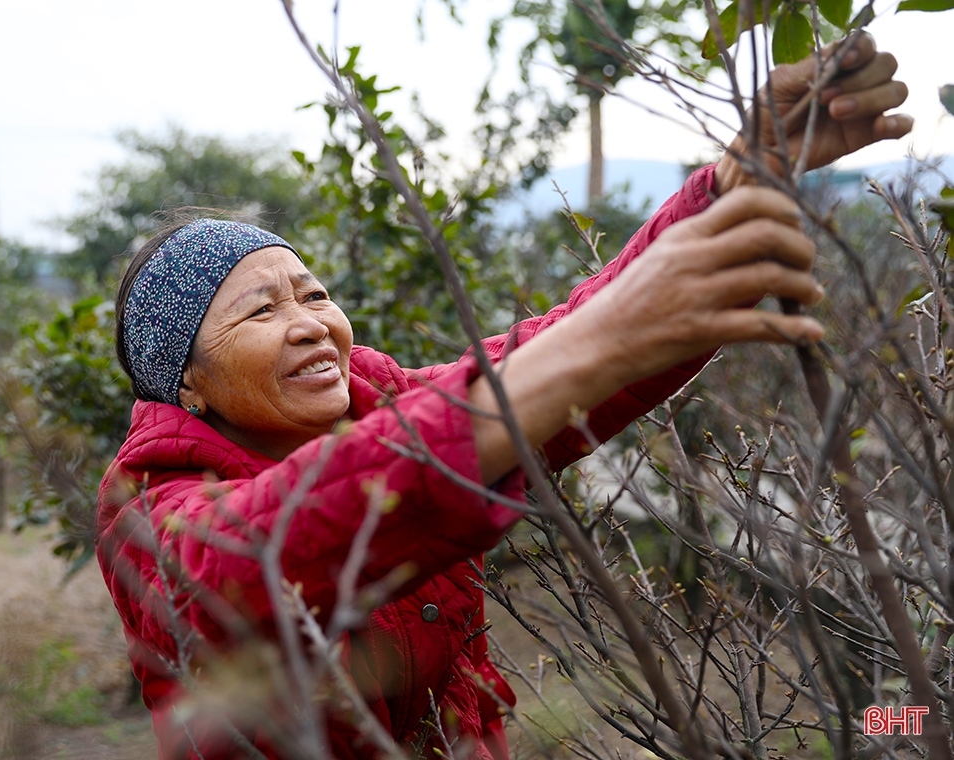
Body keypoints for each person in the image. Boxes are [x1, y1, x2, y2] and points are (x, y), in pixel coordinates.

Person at [96, 35, 910, 760]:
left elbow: (554, 354)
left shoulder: (386, 405)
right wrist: (602, 339)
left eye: (312, 295)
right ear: (188, 382)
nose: (309, 324)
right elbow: (258, 552)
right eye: (262, 311)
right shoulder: (152, 510)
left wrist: (736, 179)